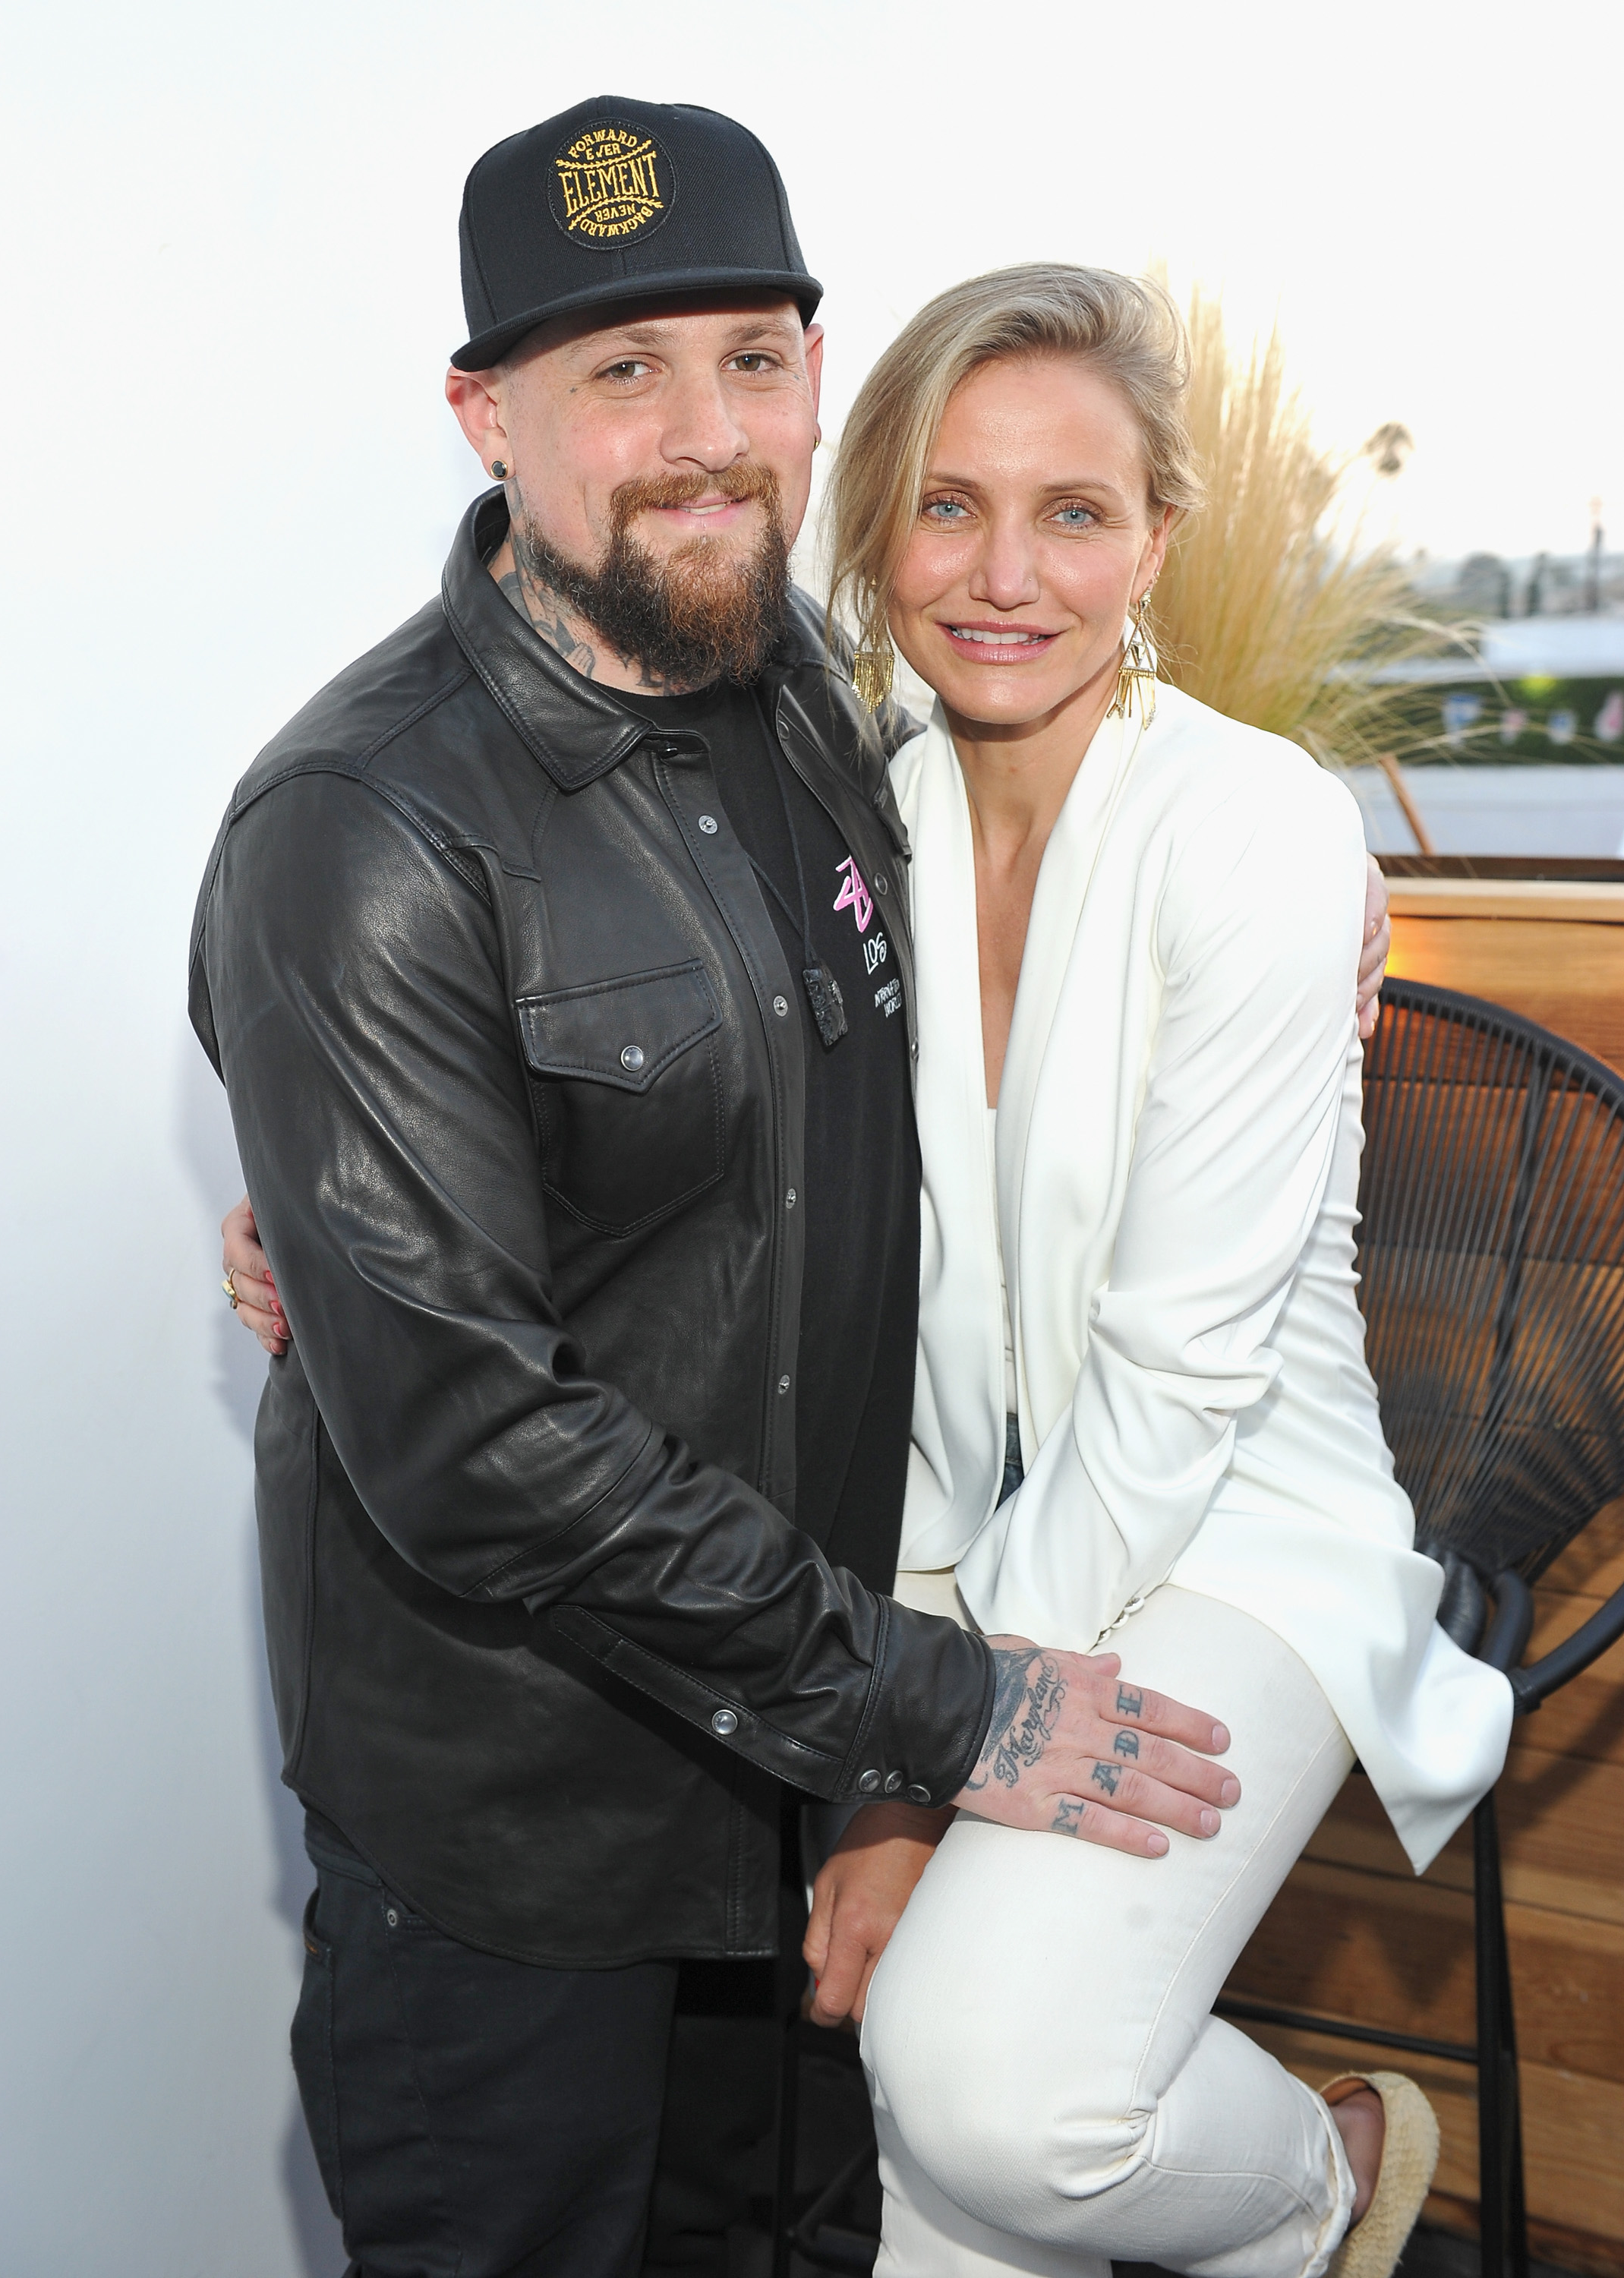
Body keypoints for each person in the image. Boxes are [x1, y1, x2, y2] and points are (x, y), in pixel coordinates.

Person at [195, 103, 1304, 2278]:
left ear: (814, 373)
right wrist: (944, 1713)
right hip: (532, 1845)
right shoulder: (360, 826)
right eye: (621, 372)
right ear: (483, 412)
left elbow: (1027, 870)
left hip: (800, 1786)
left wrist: (1273, 916)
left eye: (751, 357)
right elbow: (479, 1450)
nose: (707, 437)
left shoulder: (805, 688)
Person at [787, 265, 1512, 2278]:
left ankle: (1317, 2182)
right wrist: (895, 1738)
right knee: (932, 2108)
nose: (1004, 573)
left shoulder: (1254, 834)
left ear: (1154, 539)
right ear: (875, 529)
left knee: (990, 2089)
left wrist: (931, 1755)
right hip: (977, 1545)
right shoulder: (861, 829)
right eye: (947, 505)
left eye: (1072, 512)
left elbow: (1178, 1383)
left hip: (1237, 1535)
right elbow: (871, 1317)